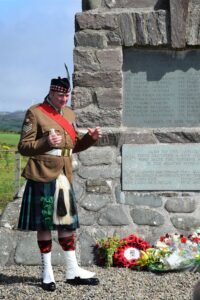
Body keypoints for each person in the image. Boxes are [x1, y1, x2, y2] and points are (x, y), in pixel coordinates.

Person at [17, 66, 102, 292]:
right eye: (60, 95)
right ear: (51, 93)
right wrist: (46, 142)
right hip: (42, 174)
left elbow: (73, 147)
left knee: (66, 223)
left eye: (67, 95)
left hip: (64, 176)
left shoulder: (69, 114)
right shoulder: (35, 113)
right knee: (44, 224)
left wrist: (90, 139)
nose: (64, 99)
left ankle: (73, 270)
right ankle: (47, 271)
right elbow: (24, 147)